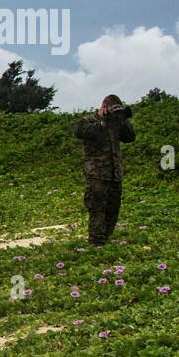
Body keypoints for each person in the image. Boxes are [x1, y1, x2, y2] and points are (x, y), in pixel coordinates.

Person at [73, 95, 135, 246]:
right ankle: (96, 242)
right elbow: (78, 132)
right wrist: (103, 123)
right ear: (103, 106)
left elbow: (130, 137)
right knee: (97, 209)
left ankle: (105, 239)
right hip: (97, 174)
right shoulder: (88, 121)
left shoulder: (116, 124)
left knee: (113, 210)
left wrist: (122, 120)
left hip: (115, 174)